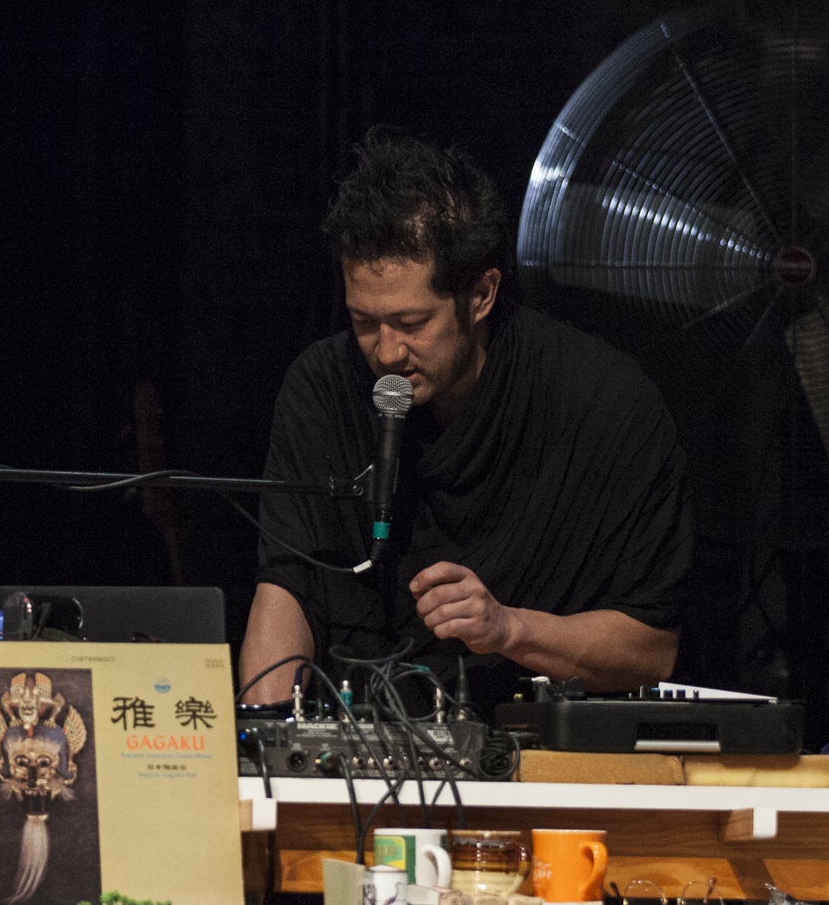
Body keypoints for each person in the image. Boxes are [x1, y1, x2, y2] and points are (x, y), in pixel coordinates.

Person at [239, 129, 692, 705]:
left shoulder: (601, 401)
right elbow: (286, 586)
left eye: (411, 323)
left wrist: (507, 629)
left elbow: (650, 650)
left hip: (547, 762)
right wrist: (266, 748)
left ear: (481, 295)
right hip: (355, 754)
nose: (386, 353)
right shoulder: (323, 389)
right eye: (363, 322)